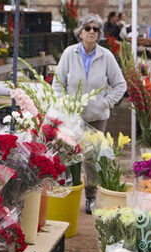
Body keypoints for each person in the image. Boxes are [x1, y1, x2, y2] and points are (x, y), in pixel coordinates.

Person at [54, 13, 127, 214]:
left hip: (96, 119)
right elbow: (58, 83)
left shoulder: (106, 56)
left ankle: (91, 197)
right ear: (80, 32)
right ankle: (68, 193)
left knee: (93, 158)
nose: (92, 32)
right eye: (88, 28)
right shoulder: (70, 54)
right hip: (72, 117)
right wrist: (64, 105)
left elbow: (120, 85)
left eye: (96, 29)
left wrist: (106, 103)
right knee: (69, 156)